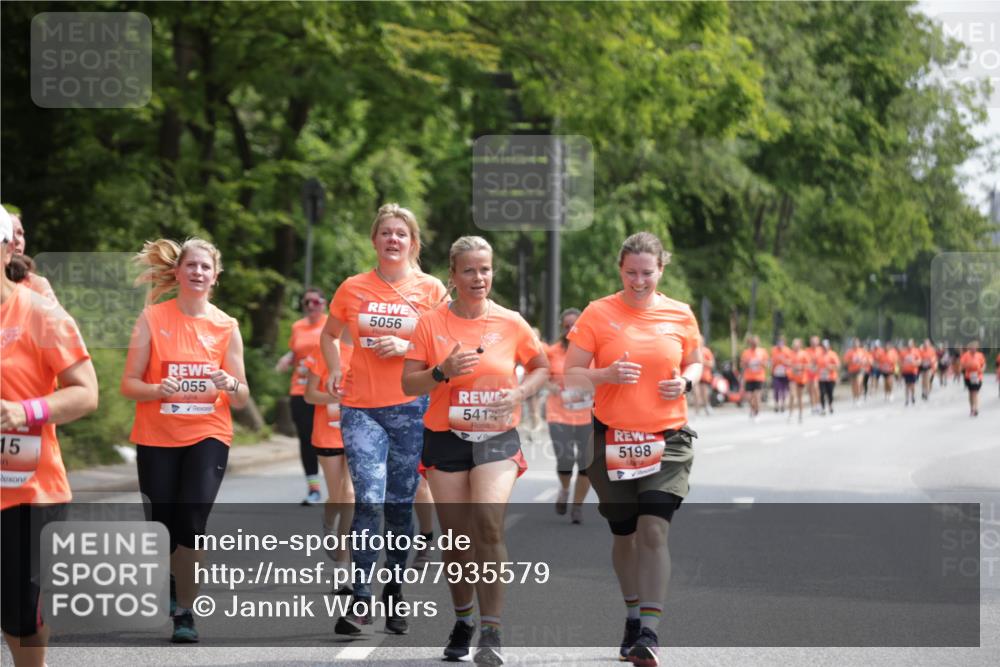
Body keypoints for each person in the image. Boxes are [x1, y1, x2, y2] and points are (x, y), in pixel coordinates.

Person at [401, 235, 549, 665]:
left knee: (488, 525)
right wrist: (441, 372)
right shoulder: (431, 323)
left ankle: (492, 630)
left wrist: (520, 391)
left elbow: (541, 366)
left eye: (485, 269)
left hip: (497, 437)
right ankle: (464, 619)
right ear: (453, 274)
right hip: (445, 437)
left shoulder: (511, 321)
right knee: (458, 539)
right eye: (469, 270)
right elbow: (409, 384)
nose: (478, 277)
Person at [564, 232, 703, 667]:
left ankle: (650, 631)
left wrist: (686, 381)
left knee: (654, 531)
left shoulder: (680, 314)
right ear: (619, 268)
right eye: (630, 273)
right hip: (614, 440)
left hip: (668, 438)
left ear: (661, 269)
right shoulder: (598, 313)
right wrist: (604, 375)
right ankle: (631, 612)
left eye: (647, 273)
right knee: (624, 535)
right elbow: (571, 374)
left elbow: (696, 359)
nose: (638, 281)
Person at [320, 203, 447, 636]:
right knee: (368, 499)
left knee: (398, 502)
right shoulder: (353, 287)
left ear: (413, 242)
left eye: (401, 234)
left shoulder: (431, 290)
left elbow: (450, 339)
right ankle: (359, 596)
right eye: (386, 233)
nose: (393, 239)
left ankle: (393, 589)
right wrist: (335, 367)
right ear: (374, 240)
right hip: (361, 406)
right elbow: (329, 333)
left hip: (413, 409)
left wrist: (407, 339)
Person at [120, 238, 250, 643]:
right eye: (190, 265)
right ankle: (174, 586)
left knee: (192, 519)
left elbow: (242, 395)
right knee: (163, 525)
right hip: (157, 434)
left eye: (205, 267)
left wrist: (230, 383)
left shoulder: (226, 326)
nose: (197, 272)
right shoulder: (151, 318)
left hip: (208, 433)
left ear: (216, 275)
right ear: (177, 272)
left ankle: (185, 612)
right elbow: (129, 384)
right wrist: (159, 389)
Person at [1, 207, 99, 667]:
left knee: (20, 609)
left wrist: (25, 410)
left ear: (6, 249)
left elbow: (86, 393)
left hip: (29, 487)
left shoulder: (39, 312)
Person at [302, 336, 355, 591]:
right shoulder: (324, 348)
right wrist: (336, 398)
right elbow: (309, 395)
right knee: (338, 497)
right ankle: (328, 519)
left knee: (350, 496)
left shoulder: (373, 347)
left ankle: (342, 570)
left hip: (361, 434)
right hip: (329, 433)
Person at [276, 287, 329, 504]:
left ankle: (343, 489)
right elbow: (297, 350)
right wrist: (287, 359)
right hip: (300, 390)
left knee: (330, 441)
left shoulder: (331, 324)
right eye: (306, 302)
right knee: (306, 440)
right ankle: (314, 489)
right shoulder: (297, 326)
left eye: (315, 302)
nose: (310, 306)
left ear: (324, 304)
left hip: (325, 392)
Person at [544, 307, 592, 524]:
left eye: (575, 325)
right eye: (566, 326)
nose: (570, 329)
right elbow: (536, 373)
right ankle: (564, 489)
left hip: (587, 414)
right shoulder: (552, 351)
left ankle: (578, 505)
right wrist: (548, 385)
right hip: (558, 413)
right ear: (562, 329)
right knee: (565, 459)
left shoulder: (592, 351)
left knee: (586, 464)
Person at [5, 209, 57, 303]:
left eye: (20, 233)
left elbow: (58, 317)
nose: (16, 240)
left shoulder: (37, 285)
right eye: (8, 232)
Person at [739, 335, 768, 420]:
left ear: (758, 342)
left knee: (756, 396)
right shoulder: (746, 352)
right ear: (750, 343)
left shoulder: (762, 352)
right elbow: (742, 365)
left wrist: (761, 363)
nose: (754, 344)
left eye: (756, 342)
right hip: (748, 377)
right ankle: (753, 409)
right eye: (753, 342)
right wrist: (746, 364)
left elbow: (767, 364)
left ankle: (757, 412)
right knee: (748, 398)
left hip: (759, 377)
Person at [959, 341, 985, 417]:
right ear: (969, 348)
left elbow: (983, 364)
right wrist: (967, 366)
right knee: (971, 393)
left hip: (978, 376)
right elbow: (962, 365)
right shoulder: (965, 355)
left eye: (975, 348)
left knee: (975, 392)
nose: (973, 349)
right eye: (972, 348)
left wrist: (982, 369)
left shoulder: (980, 355)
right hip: (969, 376)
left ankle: (975, 409)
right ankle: (972, 408)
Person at [787, 338, 809, 423]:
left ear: (800, 345)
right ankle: (791, 413)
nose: (795, 346)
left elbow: (808, 365)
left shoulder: (804, 354)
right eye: (793, 345)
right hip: (792, 378)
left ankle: (800, 414)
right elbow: (787, 363)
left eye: (796, 345)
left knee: (800, 397)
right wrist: (792, 366)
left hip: (801, 378)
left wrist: (801, 367)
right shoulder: (790, 353)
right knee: (792, 395)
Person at [816, 339, 840, 415]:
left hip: (831, 377)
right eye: (823, 346)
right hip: (821, 377)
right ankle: (823, 408)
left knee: (830, 393)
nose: (824, 348)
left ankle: (830, 405)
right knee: (822, 393)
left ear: (828, 346)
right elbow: (815, 365)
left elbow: (838, 365)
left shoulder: (833, 354)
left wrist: (831, 366)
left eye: (826, 346)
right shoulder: (819, 355)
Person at [770, 335, 791, 413]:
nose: (780, 343)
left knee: (784, 390)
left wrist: (784, 361)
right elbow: (771, 360)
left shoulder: (787, 351)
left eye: (781, 342)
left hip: (785, 373)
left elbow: (790, 362)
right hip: (776, 373)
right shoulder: (773, 350)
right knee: (776, 389)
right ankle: (776, 404)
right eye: (779, 342)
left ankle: (783, 404)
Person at [695, 336, 715, 417]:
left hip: (704, 375)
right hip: (696, 375)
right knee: (696, 393)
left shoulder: (706, 351)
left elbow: (712, 364)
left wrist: (703, 361)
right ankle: (697, 410)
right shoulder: (693, 351)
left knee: (704, 393)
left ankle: (707, 405)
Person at [845, 338, 865, 405]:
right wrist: (852, 361)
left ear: (859, 343)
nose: (856, 344)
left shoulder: (862, 351)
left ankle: (859, 398)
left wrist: (863, 361)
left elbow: (866, 359)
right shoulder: (849, 352)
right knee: (853, 385)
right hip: (852, 370)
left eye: (857, 343)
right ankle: (854, 397)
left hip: (860, 369)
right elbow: (846, 361)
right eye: (854, 343)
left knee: (858, 383)